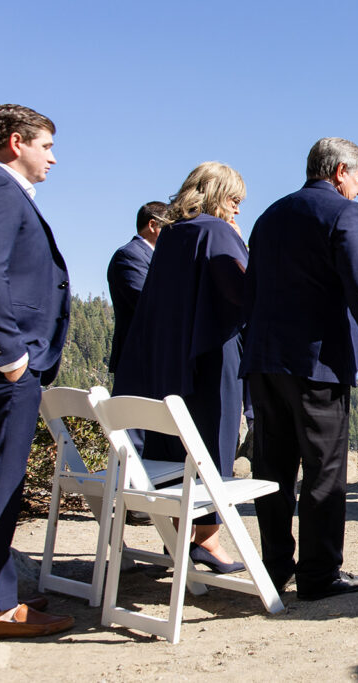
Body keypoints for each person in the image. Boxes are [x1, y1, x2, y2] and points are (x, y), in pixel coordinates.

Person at [241, 137, 358, 600]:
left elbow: (253, 287)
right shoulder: (345, 213)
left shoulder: (269, 216)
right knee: (324, 469)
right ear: (340, 171)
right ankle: (319, 574)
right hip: (317, 363)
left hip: (265, 362)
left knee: (273, 469)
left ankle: (274, 566)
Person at [113, 162, 249, 575]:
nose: (237, 210)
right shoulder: (217, 232)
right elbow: (241, 296)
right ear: (216, 195)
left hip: (168, 358)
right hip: (212, 357)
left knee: (174, 446)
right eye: (234, 200)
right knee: (213, 444)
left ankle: (180, 536)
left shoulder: (170, 235)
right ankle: (208, 541)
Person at [0, 104, 73, 638]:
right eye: (46, 147)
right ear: (16, 142)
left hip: (9, 366)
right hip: (5, 369)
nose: (53, 159)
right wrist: (10, 355)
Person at [107, 200, 166, 374]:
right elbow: (147, 303)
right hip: (137, 359)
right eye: (170, 228)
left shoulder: (156, 258)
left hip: (154, 359)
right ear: (153, 225)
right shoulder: (130, 256)